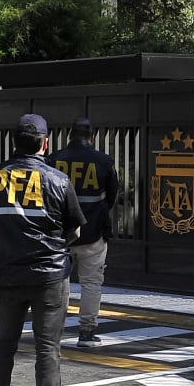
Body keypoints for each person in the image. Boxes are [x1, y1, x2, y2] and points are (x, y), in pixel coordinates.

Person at [0, 113, 85, 386]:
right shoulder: (58, 180)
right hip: (49, 275)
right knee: (47, 347)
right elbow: (74, 227)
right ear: (45, 143)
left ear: (13, 143)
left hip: (6, 273)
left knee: (3, 344)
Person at [52, 118, 119, 347]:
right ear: (91, 137)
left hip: (60, 234)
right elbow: (111, 197)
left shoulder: (54, 160)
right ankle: (87, 333)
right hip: (93, 234)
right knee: (91, 284)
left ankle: (54, 332)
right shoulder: (103, 161)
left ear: (70, 135)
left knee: (60, 282)